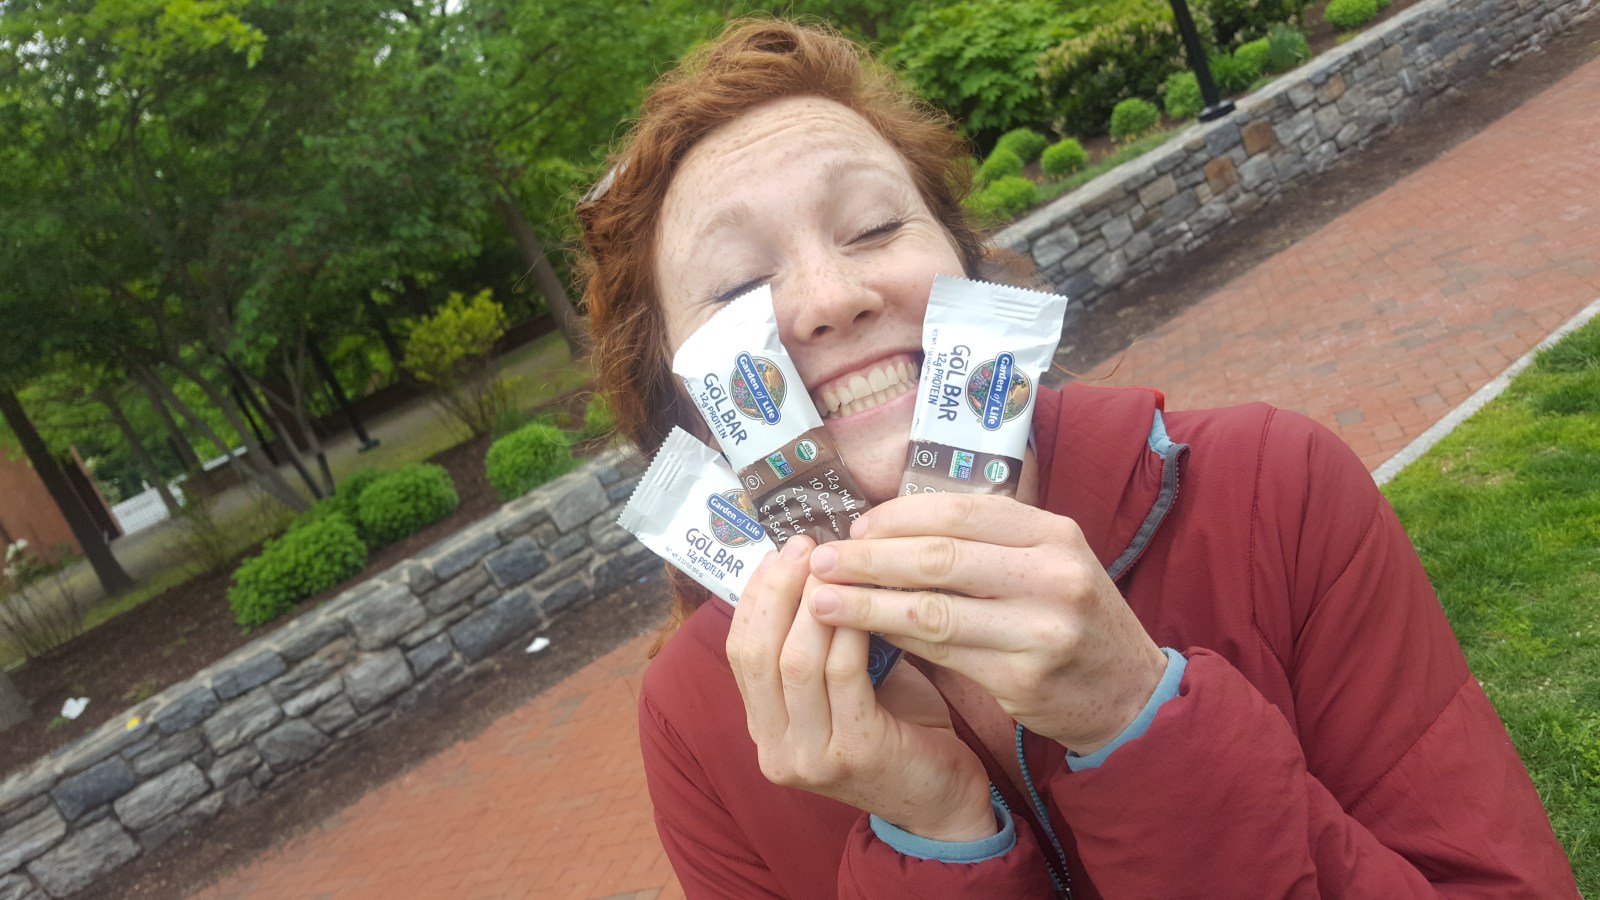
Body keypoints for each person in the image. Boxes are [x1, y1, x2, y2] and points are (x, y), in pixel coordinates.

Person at [575, 18, 1577, 899]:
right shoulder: (697, 721)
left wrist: (1139, 721)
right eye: (737, 284)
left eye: (874, 226)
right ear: (681, 405)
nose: (831, 298)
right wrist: (933, 833)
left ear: (963, 264)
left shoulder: (1274, 489)